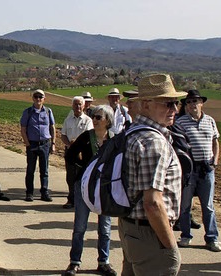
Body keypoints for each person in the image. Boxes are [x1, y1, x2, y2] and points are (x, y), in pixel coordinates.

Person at [120, 74, 187, 275]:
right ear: (146, 105)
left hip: (130, 228)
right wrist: (170, 245)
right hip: (150, 233)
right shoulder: (154, 142)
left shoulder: (132, 133)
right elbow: (153, 203)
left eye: (176, 103)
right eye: (167, 103)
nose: (174, 109)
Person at [64, 105, 117, 276]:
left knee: (105, 227)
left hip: (105, 189)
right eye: (93, 116)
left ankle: (104, 262)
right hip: (84, 187)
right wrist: (84, 168)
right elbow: (70, 155)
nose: (94, 120)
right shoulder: (87, 136)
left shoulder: (115, 140)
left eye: (98, 117)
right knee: (80, 226)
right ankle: (74, 262)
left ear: (108, 120)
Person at [176, 89, 221, 252]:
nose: (192, 104)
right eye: (189, 102)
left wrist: (214, 161)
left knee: (208, 206)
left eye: (195, 101)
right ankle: (186, 235)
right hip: (190, 168)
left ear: (201, 103)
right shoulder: (181, 123)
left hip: (206, 168)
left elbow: (216, 142)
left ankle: (212, 238)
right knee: (186, 205)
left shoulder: (210, 121)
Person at [19, 89, 56, 202]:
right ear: (33, 98)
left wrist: (53, 143)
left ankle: (44, 192)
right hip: (32, 144)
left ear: (44, 99)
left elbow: (52, 127)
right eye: (36, 96)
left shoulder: (48, 111)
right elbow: (23, 129)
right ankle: (29, 192)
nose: (38, 99)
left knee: (44, 170)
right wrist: (28, 144)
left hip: (45, 144)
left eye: (40, 97)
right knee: (30, 170)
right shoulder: (28, 112)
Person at [60, 96, 93, 209]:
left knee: (82, 176)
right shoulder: (67, 120)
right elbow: (63, 135)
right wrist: (70, 146)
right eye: (75, 104)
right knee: (70, 176)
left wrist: (78, 146)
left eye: (80, 104)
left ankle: (83, 200)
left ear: (84, 106)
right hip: (70, 151)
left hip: (83, 153)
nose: (78, 106)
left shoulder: (88, 120)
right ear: (72, 106)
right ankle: (71, 199)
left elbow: (88, 136)